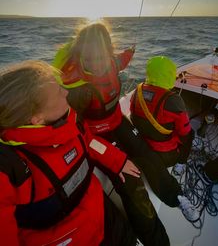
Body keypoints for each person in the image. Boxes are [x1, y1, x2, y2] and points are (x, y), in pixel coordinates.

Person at [53, 22, 197, 245]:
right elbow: (78, 134)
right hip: (95, 138)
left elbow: (121, 60)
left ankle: (175, 196)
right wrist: (116, 160)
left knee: (146, 153)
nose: (99, 62)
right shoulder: (75, 88)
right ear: (81, 54)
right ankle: (157, 241)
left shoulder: (112, 61)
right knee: (130, 181)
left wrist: (130, 51)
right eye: (92, 57)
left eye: (103, 54)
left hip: (117, 121)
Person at [0, 60, 141, 246]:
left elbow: (89, 142)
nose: (66, 92)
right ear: (36, 118)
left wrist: (117, 160)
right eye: (59, 92)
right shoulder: (9, 166)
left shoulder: (68, 122)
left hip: (104, 217)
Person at [130, 55, 194, 170]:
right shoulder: (173, 100)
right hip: (166, 156)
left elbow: (133, 115)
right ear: (170, 75)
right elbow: (184, 132)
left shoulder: (137, 91)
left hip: (143, 147)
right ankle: (180, 164)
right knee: (190, 134)